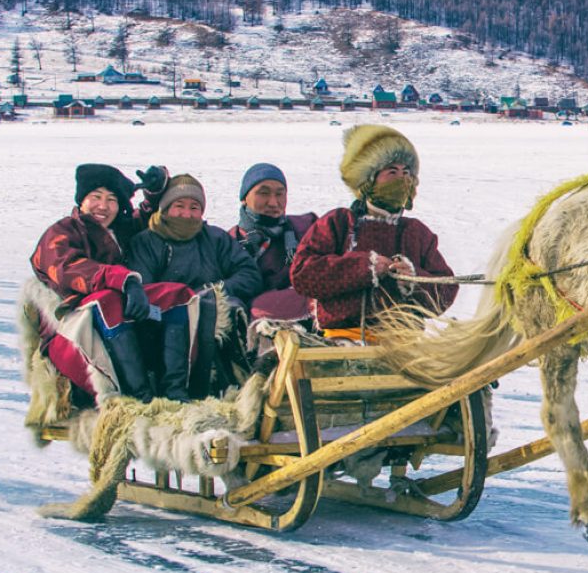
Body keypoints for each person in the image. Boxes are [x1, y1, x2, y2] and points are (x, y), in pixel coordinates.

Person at [28, 163, 194, 404]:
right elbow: (68, 269)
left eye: (112, 200)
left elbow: (146, 219)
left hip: (120, 329)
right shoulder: (62, 232)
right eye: (96, 197)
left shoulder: (119, 231)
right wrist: (125, 281)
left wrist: (154, 195)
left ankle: (175, 391)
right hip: (72, 334)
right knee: (107, 300)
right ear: (82, 199)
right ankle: (140, 398)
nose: (103, 207)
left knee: (177, 294)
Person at [290, 125, 458, 340]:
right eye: (392, 172)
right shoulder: (338, 223)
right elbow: (303, 275)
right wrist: (362, 267)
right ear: (368, 180)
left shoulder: (416, 232)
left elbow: (446, 290)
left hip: (405, 344)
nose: (401, 179)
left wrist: (413, 279)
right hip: (341, 339)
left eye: (406, 173)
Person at [127, 174, 262, 399]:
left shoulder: (215, 238)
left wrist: (215, 293)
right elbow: (144, 287)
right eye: (179, 206)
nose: (187, 214)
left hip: (214, 313)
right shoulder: (146, 242)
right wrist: (185, 301)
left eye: (194, 207)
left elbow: (248, 274)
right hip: (165, 320)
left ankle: (229, 384)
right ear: (165, 207)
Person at [228, 163, 317, 321]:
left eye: (280, 194)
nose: (273, 203)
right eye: (263, 193)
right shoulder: (230, 242)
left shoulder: (306, 228)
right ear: (244, 198)